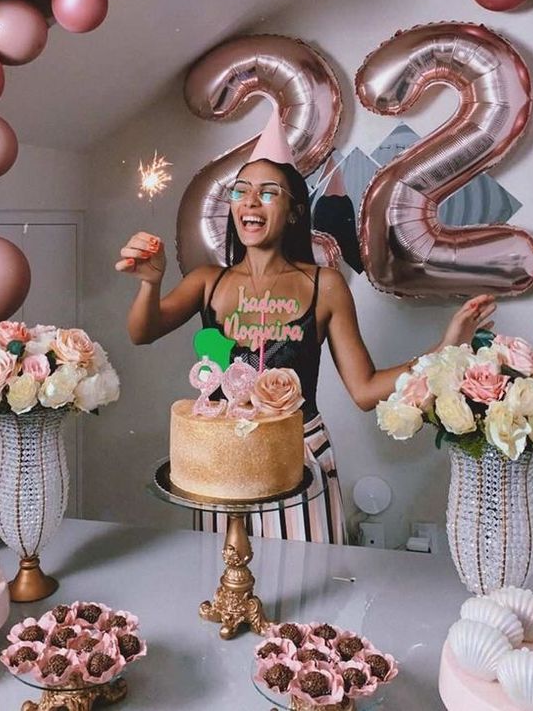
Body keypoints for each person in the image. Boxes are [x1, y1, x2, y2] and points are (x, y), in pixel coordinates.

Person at [116, 155, 496, 544]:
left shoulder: (325, 285)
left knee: (300, 580)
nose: (250, 202)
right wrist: (150, 283)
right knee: (227, 586)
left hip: (299, 456)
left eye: (267, 193)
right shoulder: (206, 282)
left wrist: (444, 347)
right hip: (224, 462)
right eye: (241, 191)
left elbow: (365, 390)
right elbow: (142, 332)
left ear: (295, 213)